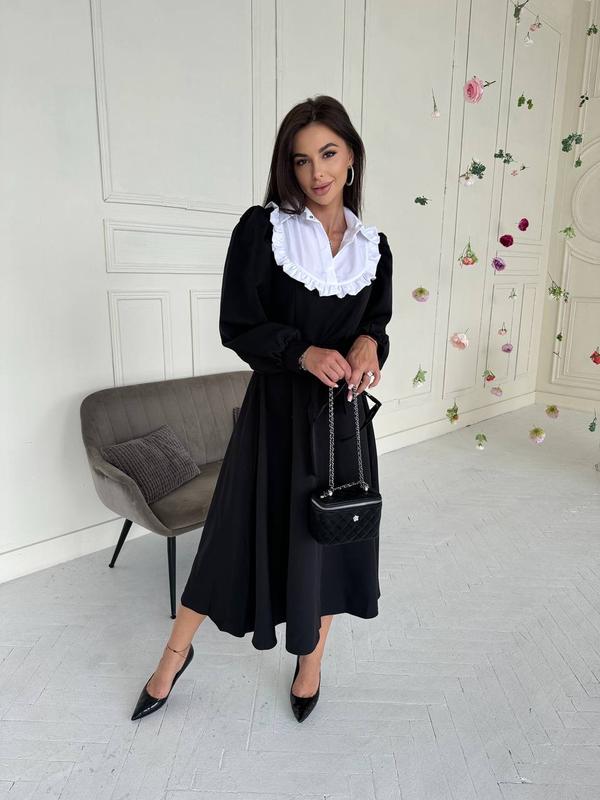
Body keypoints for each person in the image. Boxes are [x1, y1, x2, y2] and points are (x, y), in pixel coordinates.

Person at [131, 94, 393, 724]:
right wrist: (301, 352)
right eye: (301, 160)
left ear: (351, 156)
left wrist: (368, 344)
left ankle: (311, 664)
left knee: (330, 538)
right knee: (230, 536)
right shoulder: (262, 229)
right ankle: (173, 657)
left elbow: (377, 323)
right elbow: (238, 324)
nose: (317, 172)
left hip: (341, 421)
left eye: (328, 154)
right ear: (287, 166)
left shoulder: (375, 246)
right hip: (275, 416)